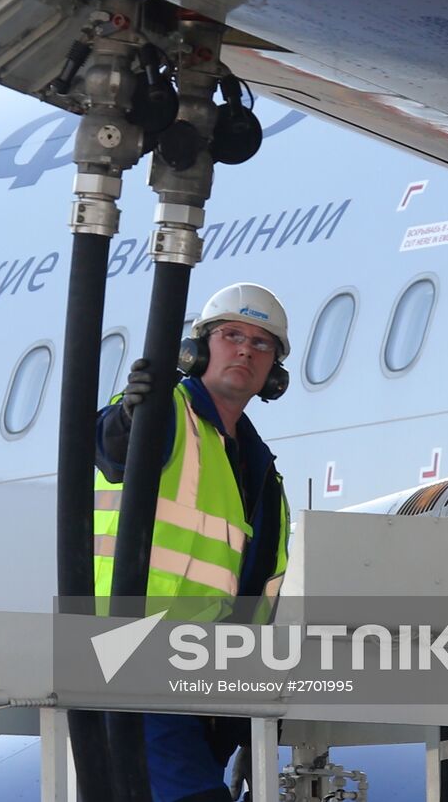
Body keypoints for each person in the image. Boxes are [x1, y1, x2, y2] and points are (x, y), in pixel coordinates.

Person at [94, 282, 293, 802]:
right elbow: (112, 447)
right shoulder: (166, 415)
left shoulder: (262, 475)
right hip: (131, 651)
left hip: (208, 681)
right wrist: (130, 414)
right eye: (231, 335)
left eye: (261, 343)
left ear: (274, 373)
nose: (246, 349)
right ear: (198, 349)